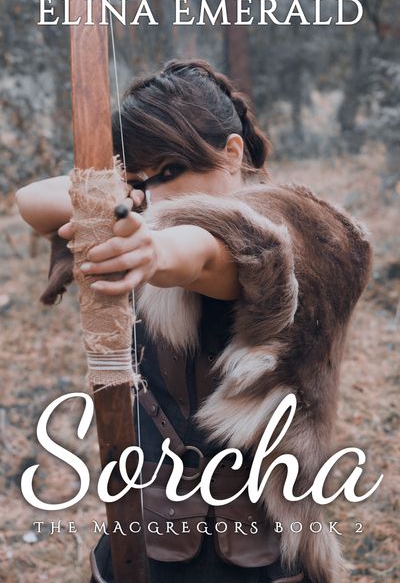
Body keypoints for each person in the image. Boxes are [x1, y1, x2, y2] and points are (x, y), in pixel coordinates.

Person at [16, 60, 371, 583]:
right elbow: (31, 200)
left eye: (171, 170)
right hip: (145, 539)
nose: (156, 195)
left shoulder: (305, 225)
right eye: (139, 176)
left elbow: (215, 251)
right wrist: (130, 196)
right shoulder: (142, 211)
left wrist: (153, 249)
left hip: (263, 552)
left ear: (231, 153)